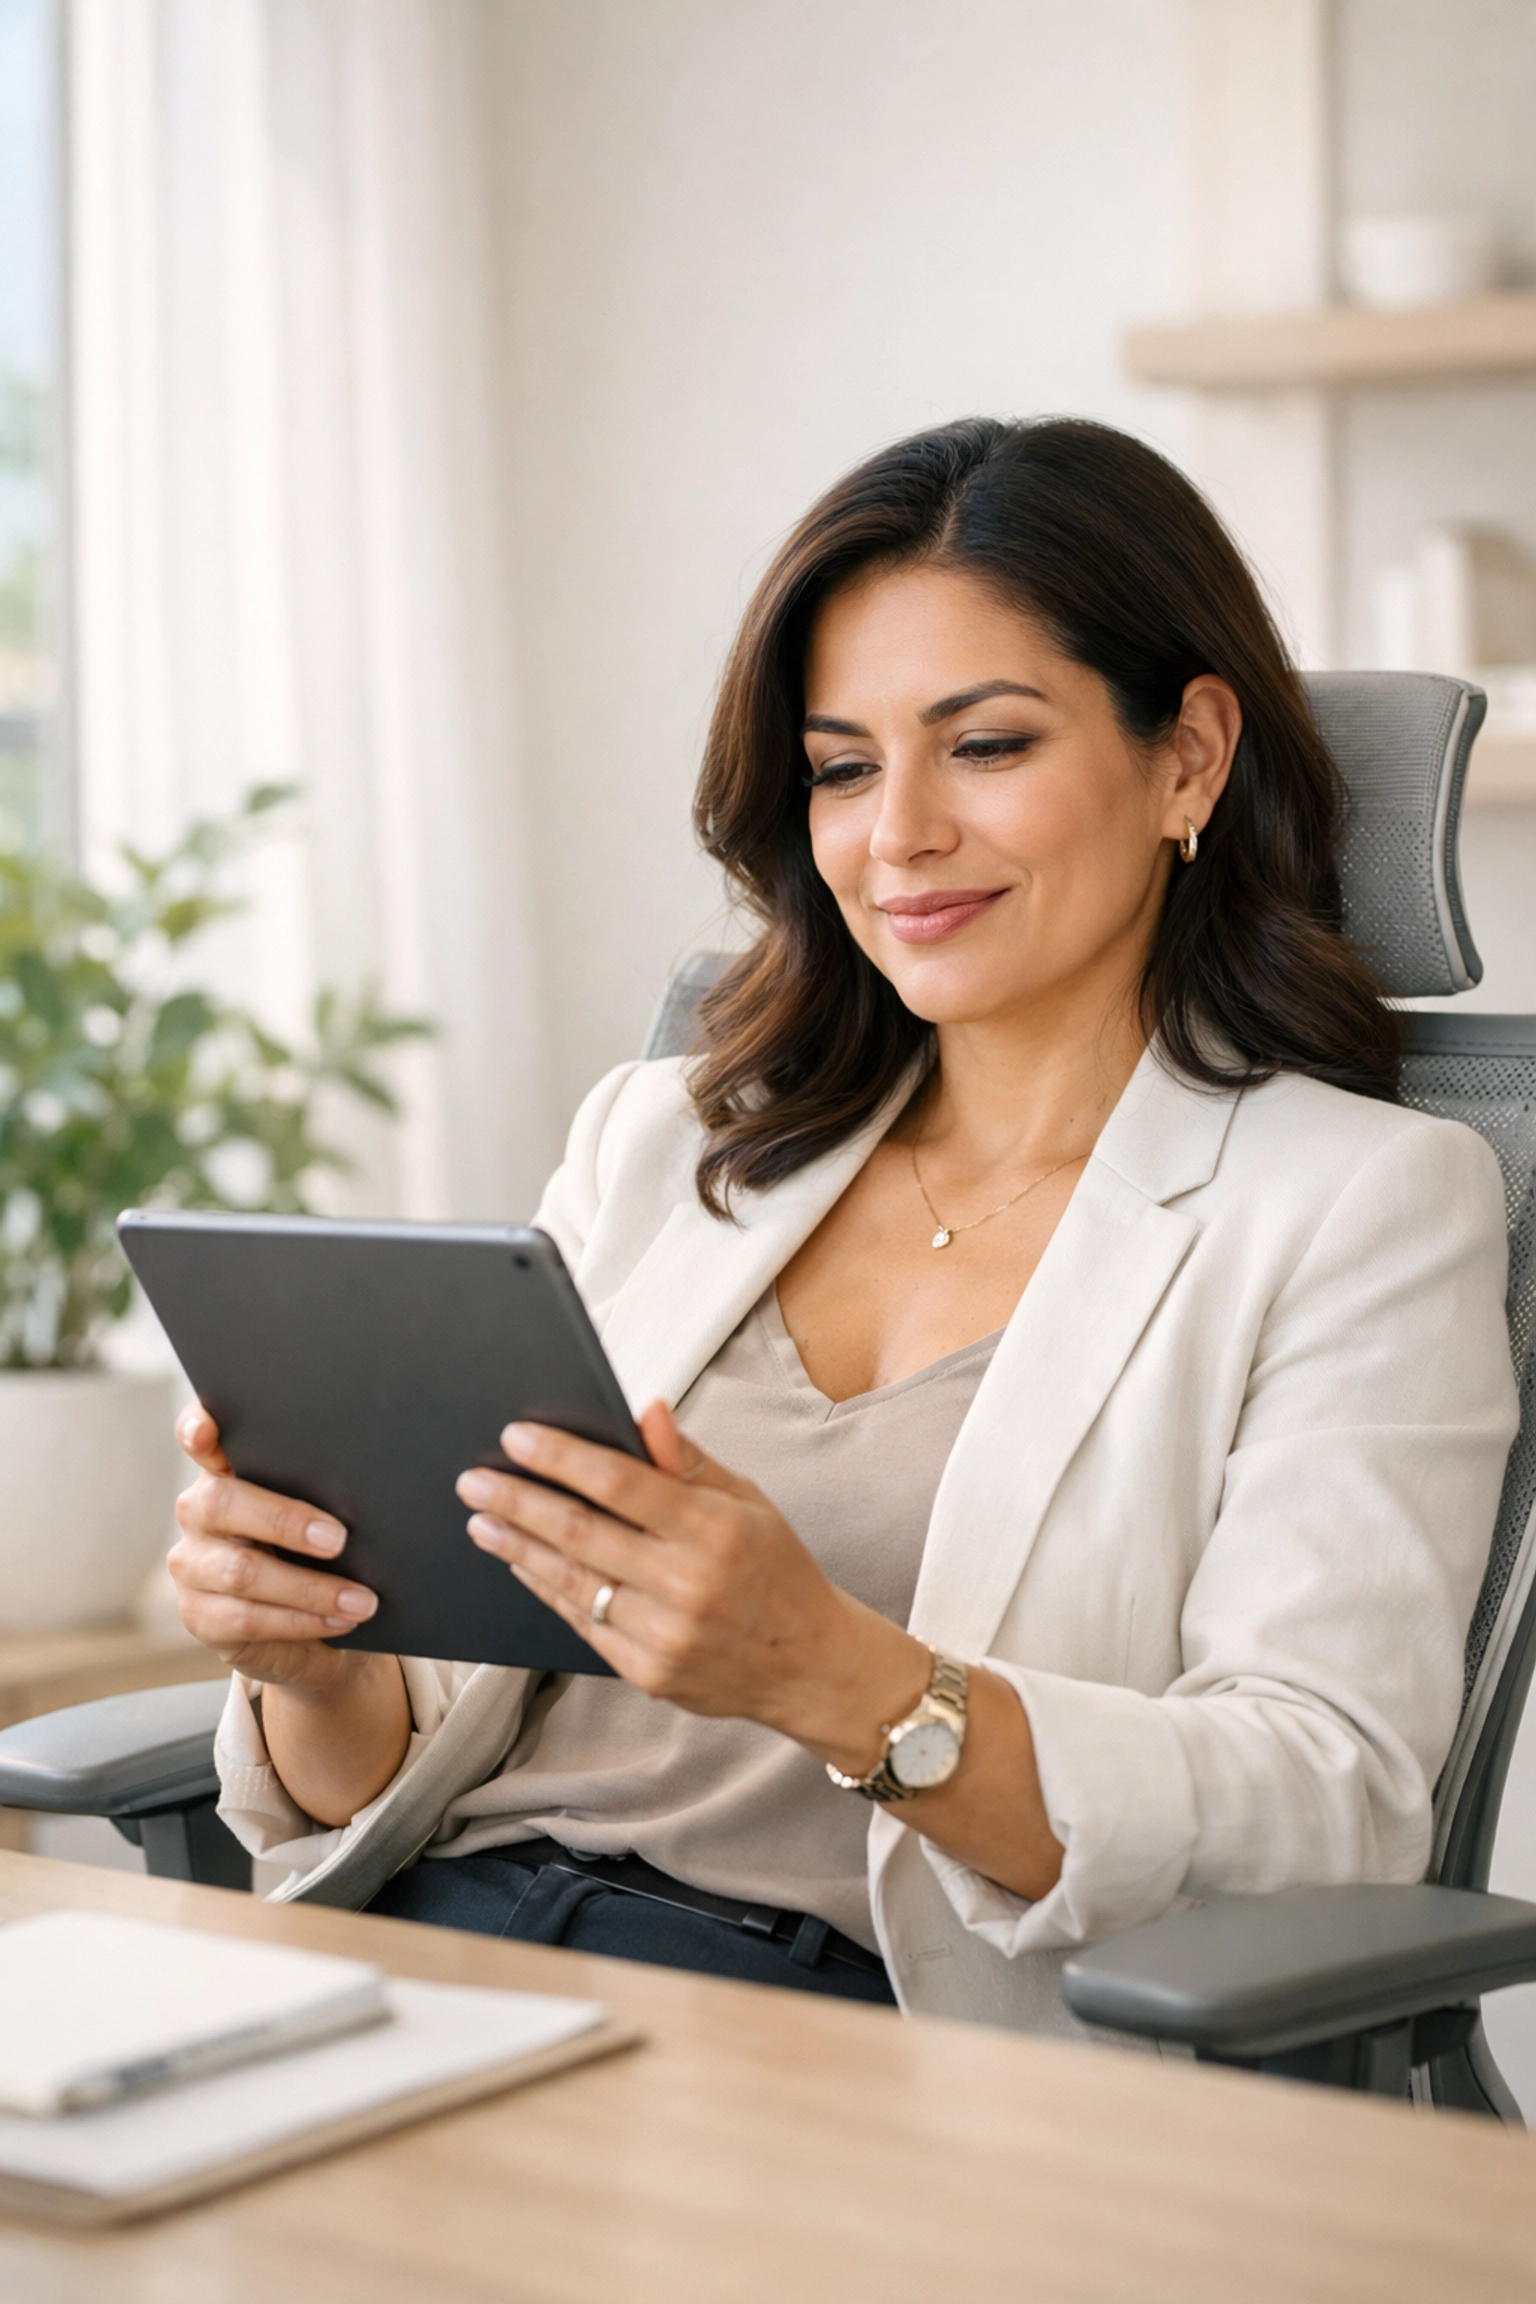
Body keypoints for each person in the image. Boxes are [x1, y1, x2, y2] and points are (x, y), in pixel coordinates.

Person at [172, 417, 1518, 2034]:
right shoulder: (664, 1140)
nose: (898, 837)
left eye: (988, 745)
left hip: (833, 2034)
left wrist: (834, 1674)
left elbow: (1327, 1804)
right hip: (445, 1964)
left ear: (1188, 758)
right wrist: (315, 1665)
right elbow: (402, 1770)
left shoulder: (1361, 1203)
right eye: (842, 767)